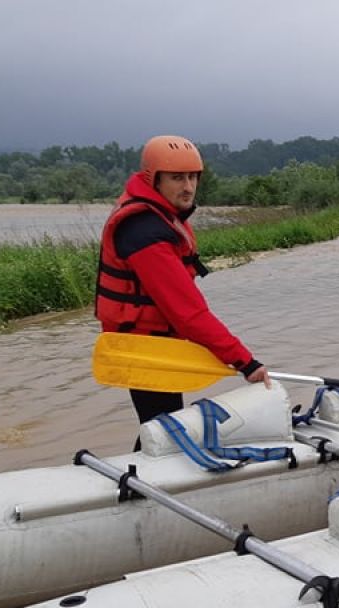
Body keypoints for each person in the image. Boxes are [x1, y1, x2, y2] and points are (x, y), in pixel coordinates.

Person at [95, 135, 269, 445]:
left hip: (160, 343)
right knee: (163, 428)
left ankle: (140, 480)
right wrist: (246, 362)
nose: (187, 187)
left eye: (192, 177)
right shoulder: (145, 232)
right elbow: (188, 313)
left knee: (162, 425)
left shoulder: (158, 217)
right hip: (147, 348)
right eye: (177, 178)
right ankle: (140, 485)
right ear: (154, 180)